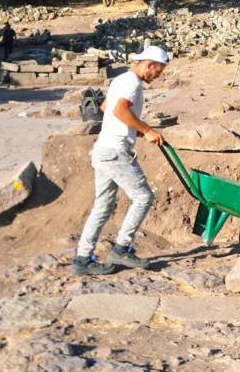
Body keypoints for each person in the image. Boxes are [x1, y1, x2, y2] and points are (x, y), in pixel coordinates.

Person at [72, 46, 169, 276]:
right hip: (115, 152)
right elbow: (119, 109)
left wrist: (132, 130)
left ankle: (83, 259)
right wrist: (146, 130)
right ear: (149, 65)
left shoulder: (120, 79)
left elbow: (105, 107)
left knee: (103, 205)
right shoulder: (133, 83)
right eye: (158, 72)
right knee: (144, 197)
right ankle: (122, 249)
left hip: (103, 149)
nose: (157, 77)